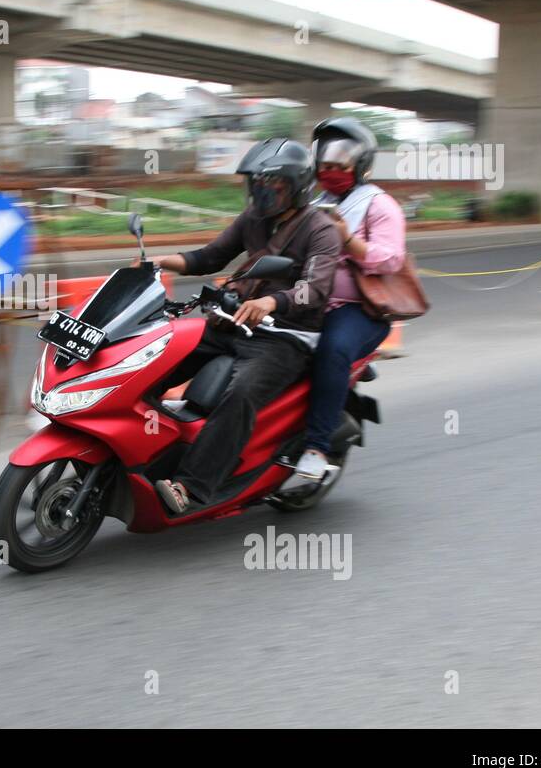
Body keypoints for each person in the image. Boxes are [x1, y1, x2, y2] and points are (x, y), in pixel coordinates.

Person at [148, 138, 340, 513]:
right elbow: (210, 256)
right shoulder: (254, 218)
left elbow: (314, 290)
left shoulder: (321, 230)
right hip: (234, 321)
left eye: (273, 185)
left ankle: (191, 487)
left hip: (285, 337)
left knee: (241, 395)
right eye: (257, 184)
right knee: (159, 357)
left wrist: (271, 300)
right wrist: (157, 261)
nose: (262, 192)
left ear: (297, 186)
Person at [293, 117, 408, 481]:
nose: (330, 171)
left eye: (339, 163)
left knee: (333, 349)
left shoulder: (379, 205)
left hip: (358, 310)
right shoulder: (314, 203)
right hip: (309, 300)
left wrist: (348, 239)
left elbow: (391, 258)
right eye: (324, 163)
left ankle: (316, 446)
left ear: (359, 165)